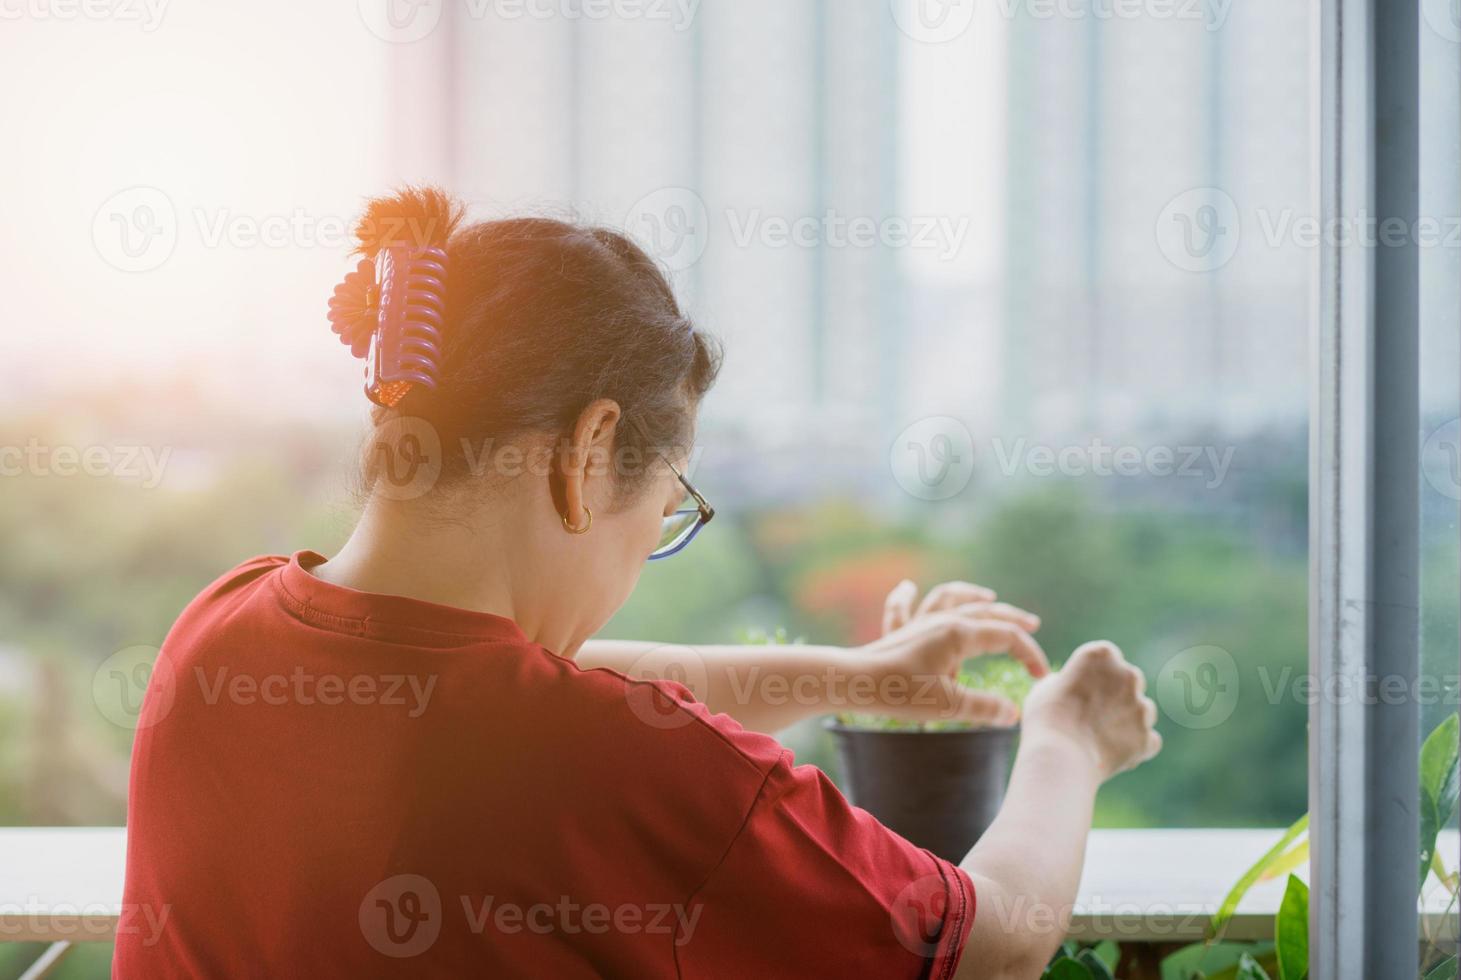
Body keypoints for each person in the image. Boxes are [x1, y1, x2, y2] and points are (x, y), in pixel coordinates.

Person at [114, 187, 1161, 979]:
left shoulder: (216, 635)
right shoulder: (618, 770)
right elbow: (991, 941)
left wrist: (857, 672)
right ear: (586, 453)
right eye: (663, 513)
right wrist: (1069, 739)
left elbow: (500, 690)